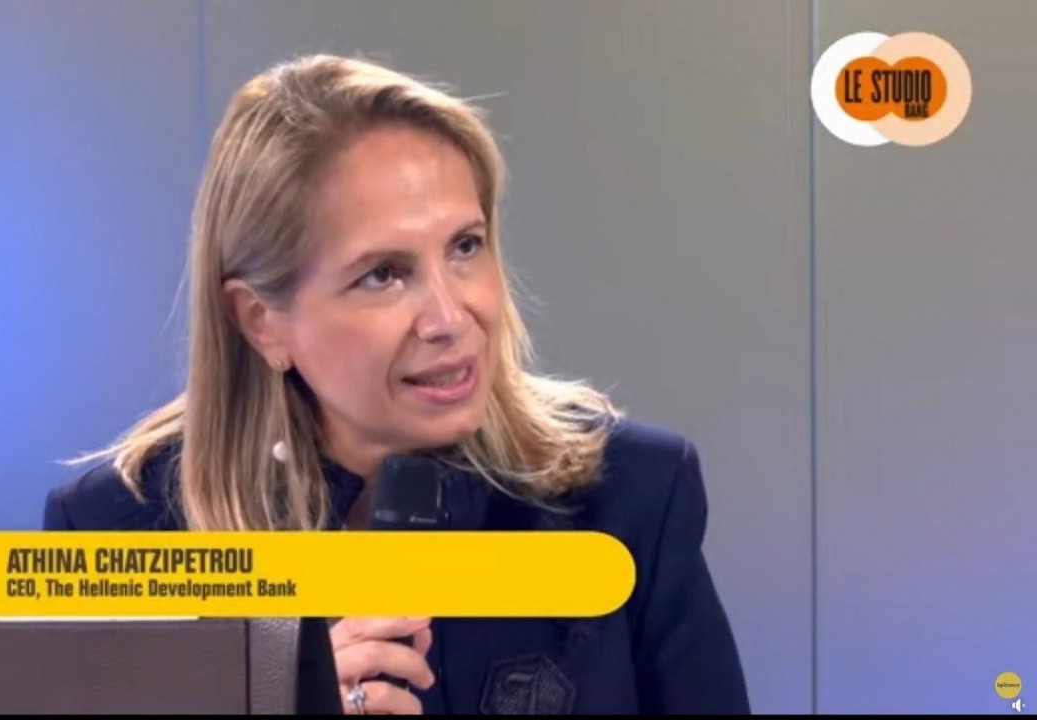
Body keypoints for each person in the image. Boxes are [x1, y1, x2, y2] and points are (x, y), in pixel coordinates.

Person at [43, 53, 750, 715]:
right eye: (383, 274)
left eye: (465, 247)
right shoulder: (115, 532)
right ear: (262, 321)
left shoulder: (632, 494)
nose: (450, 318)